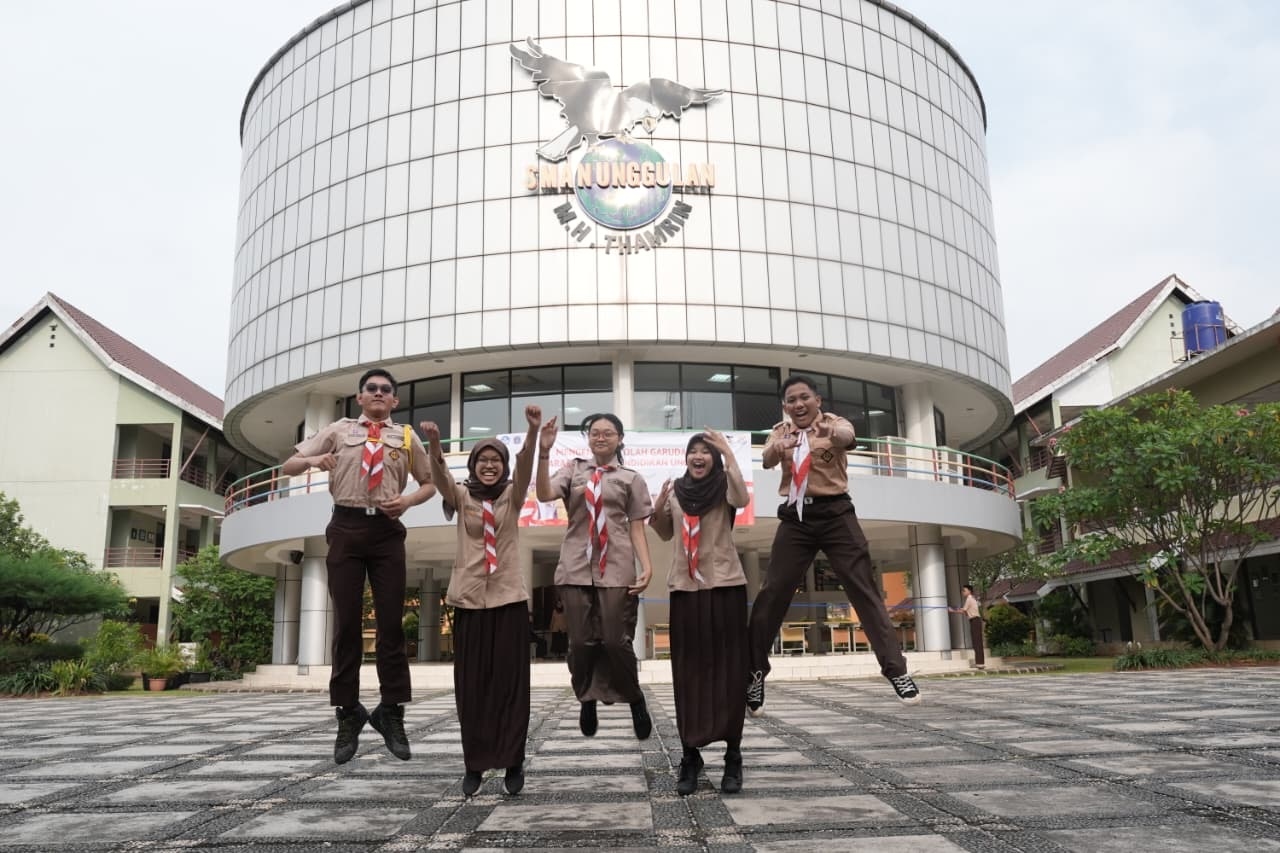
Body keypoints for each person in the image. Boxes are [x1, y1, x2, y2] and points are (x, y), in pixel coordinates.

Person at [283, 368, 436, 764]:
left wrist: (407, 502)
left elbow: (430, 483)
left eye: (387, 390)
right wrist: (317, 458)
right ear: (360, 396)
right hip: (346, 526)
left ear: (395, 401)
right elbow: (289, 467)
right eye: (373, 389)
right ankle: (348, 712)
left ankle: (391, 710)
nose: (379, 394)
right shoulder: (339, 429)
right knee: (348, 624)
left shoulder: (405, 436)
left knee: (390, 625)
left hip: (387, 529)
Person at [747, 375, 922, 715]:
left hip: (836, 514)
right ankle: (754, 673)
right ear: (785, 407)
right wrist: (777, 448)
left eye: (804, 398)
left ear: (817, 401)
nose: (798, 405)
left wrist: (831, 434)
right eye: (791, 401)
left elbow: (848, 437)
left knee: (864, 590)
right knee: (773, 593)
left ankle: (896, 670)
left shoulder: (833, 424)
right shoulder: (781, 431)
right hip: (796, 516)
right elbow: (768, 458)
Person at [422, 406, 541, 796]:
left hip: (507, 600)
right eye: (482, 460)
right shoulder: (462, 496)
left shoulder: (512, 494)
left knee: (510, 686)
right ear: (472, 465)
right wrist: (436, 444)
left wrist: (532, 429)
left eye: (496, 460)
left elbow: (524, 467)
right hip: (470, 601)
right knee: (472, 689)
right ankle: (474, 763)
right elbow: (440, 479)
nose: (489, 466)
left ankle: (513, 760)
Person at [535, 412, 656, 740]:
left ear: (619, 438)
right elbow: (544, 494)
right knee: (579, 642)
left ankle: (634, 697)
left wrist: (647, 566)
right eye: (594, 433)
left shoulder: (632, 478)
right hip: (575, 566)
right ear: (588, 438)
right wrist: (544, 451)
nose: (600, 437)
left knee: (616, 641)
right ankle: (586, 697)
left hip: (616, 567)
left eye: (608, 433)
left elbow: (637, 528)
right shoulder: (573, 470)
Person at [650, 429, 750, 796]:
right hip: (686, 588)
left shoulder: (725, 486)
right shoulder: (676, 489)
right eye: (693, 450)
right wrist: (658, 505)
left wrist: (729, 451)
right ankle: (690, 755)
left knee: (727, 672)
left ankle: (733, 755)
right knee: (689, 673)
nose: (698, 456)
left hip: (724, 585)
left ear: (716, 459)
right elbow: (662, 532)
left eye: (706, 452)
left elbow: (742, 496)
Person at [950, 584, 985, 668]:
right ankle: (979, 663)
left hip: (975, 621)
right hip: (974, 621)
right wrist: (956, 609)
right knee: (977, 642)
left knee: (977, 642)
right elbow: (966, 612)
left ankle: (980, 663)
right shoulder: (972, 598)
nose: (963, 592)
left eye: (964, 590)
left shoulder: (969, 599)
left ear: (969, 591)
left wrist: (952, 611)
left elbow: (963, 611)